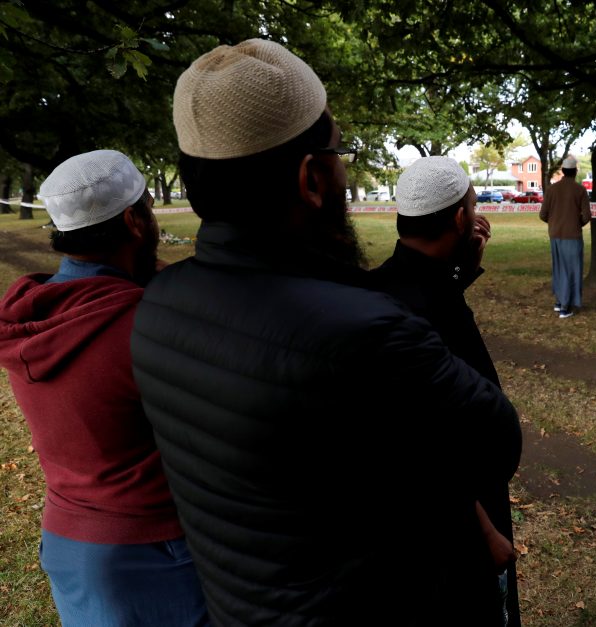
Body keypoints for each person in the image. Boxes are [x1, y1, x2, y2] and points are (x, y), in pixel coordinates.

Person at [129, 39, 522, 625]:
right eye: (340, 154)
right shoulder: (363, 333)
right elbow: (495, 445)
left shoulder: (159, 305)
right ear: (312, 178)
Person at [0, 150, 207, 626]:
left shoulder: (33, 315)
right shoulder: (145, 326)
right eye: (149, 210)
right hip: (153, 550)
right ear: (136, 220)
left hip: (68, 543)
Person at [371, 156, 520, 627]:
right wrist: (484, 531)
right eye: (472, 206)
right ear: (459, 218)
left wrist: (463, 272)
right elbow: (418, 443)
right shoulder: (427, 312)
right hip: (455, 526)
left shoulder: (376, 288)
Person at [539, 155, 591, 318]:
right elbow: (587, 215)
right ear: (575, 172)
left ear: (562, 171)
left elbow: (543, 214)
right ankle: (565, 308)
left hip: (555, 235)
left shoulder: (552, 190)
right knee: (571, 271)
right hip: (573, 236)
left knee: (559, 269)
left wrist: (554, 222)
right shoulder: (580, 190)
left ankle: (559, 301)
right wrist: (576, 224)